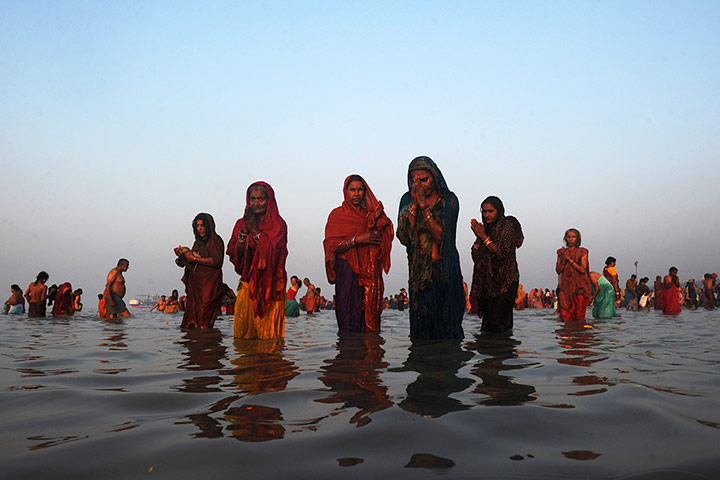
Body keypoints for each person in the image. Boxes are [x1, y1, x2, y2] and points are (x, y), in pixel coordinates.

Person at [397, 156, 465, 341]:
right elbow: (403, 237)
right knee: (422, 334)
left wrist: (424, 208)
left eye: (424, 179)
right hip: (420, 276)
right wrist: (413, 208)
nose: (419, 185)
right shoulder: (406, 199)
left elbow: (444, 238)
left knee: (448, 331)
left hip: (445, 273)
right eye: (414, 180)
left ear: (435, 177)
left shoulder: (449, 200)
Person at [323, 174, 394, 332]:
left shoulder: (370, 215)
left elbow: (383, 238)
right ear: (345, 191)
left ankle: (369, 353)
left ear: (365, 192)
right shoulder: (337, 215)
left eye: (360, 189)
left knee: (368, 320)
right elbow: (331, 246)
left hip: (369, 275)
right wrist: (357, 240)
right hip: (346, 271)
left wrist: (379, 223)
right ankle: (348, 353)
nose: (356, 193)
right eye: (352, 189)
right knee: (347, 317)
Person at [227, 182, 288, 339]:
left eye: (261, 199)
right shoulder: (241, 224)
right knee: (243, 337)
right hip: (247, 284)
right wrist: (244, 234)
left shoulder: (278, 225)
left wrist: (253, 229)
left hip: (272, 287)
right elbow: (235, 255)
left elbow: (272, 252)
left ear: (269, 201)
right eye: (252, 199)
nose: (256, 203)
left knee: (269, 339)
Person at [470, 196, 524, 333]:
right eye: (484, 212)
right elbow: (476, 258)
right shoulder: (486, 229)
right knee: (487, 327)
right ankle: (489, 353)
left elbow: (502, 253)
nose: (487, 215)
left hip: (505, 282)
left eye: (490, 211)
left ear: (499, 211)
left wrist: (483, 236)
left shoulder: (507, 224)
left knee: (499, 323)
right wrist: (478, 237)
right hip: (488, 286)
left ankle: (503, 352)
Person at [175, 213, 224, 328]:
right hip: (196, 283)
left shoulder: (215, 240)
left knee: (204, 318)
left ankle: (207, 344)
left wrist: (194, 258)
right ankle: (196, 344)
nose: (200, 228)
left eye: (202, 225)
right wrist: (184, 255)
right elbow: (193, 263)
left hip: (209, 284)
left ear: (209, 226)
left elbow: (217, 262)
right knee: (193, 320)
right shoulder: (198, 242)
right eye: (197, 226)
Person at [555, 228, 591, 322]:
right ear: (565, 238)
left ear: (577, 239)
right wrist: (564, 258)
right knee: (565, 315)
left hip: (580, 287)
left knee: (579, 316)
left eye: (573, 237)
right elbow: (558, 270)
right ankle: (568, 333)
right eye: (568, 237)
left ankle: (578, 334)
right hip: (566, 287)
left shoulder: (583, 252)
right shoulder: (561, 252)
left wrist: (569, 259)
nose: (571, 239)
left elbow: (582, 270)